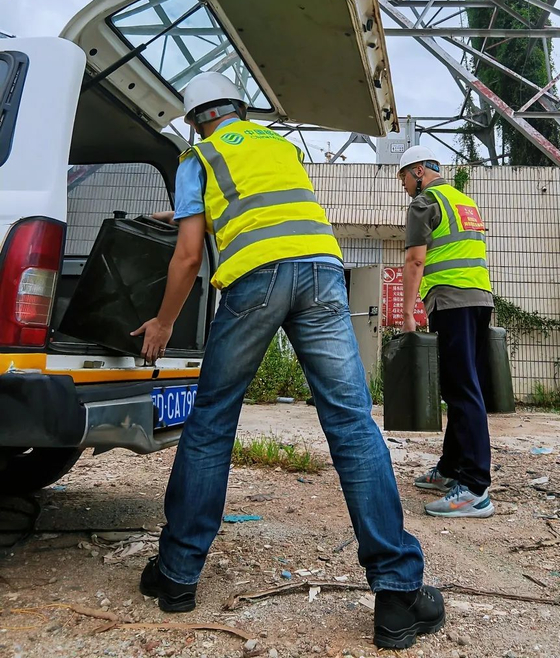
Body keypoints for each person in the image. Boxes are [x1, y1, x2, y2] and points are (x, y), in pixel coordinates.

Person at [133, 72, 445, 649]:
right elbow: (267, 211)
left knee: (211, 424)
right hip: (323, 272)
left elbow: (189, 254)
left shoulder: (198, 157)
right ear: (238, 109)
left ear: (196, 119)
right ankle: (398, 596)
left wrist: (164, 321)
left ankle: (176, 576)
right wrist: (178, 216)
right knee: (352, 425)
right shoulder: (278, 146)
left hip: (255, 279)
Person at [398, 145, 495, 519]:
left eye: (404, 178)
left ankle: (474, 488)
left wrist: (408, 313)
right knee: (462, 386)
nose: (404, 186)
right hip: (479, 299)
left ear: (418, 171)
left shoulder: (424, 202)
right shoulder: (463, 201)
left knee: (461, 389)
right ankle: (450, 468)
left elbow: (415, 260)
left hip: (451, 301)